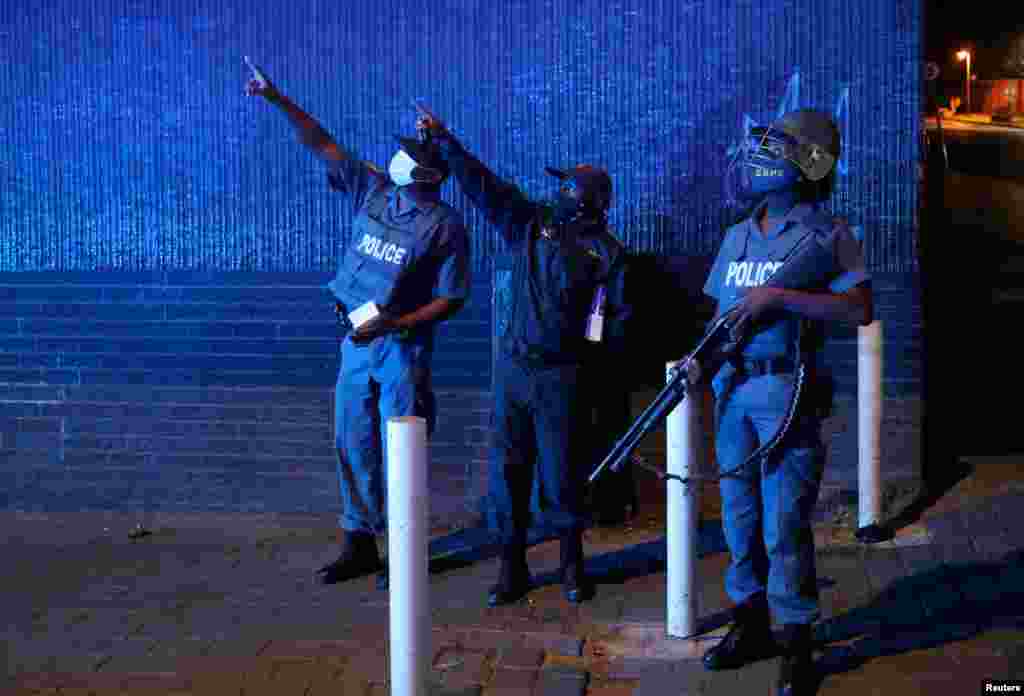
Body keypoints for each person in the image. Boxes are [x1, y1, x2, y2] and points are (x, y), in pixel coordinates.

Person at [244, 59, 471, 586]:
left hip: (400, 350)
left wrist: (394, 325)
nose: (394, 158)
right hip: (354, 341)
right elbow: (320, 142)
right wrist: (275, 97)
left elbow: (452, 298)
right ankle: (360, 545)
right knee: (352, 442)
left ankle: (407, 552)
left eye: (406, 156)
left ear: (424, 174)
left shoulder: (445, 227)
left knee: (401, 449)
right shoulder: (374, 190)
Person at [416, 104, 630, 605]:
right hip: (514, 372)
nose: (559, 191)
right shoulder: (532, 224)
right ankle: (511, 569)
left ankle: (571, 566)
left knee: (563, 477)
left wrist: (592, 382)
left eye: (568, 186)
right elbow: (483, 186)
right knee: (508, 474)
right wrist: (448, 142)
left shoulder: (607, 254)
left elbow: (614, 326)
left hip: (563, 379)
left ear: (584, 199)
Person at [692, 109, 872, 696]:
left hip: (788, 392)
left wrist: (781, 298)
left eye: (786, 145)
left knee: (784, 524)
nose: (766, 154)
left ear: (810, 162)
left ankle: (796, 639)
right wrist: (701, 364)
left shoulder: (828, 233)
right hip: (735, 392)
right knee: (739, 522)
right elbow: (721, 318)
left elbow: (857, 309)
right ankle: (750, 625)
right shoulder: (738, 233)